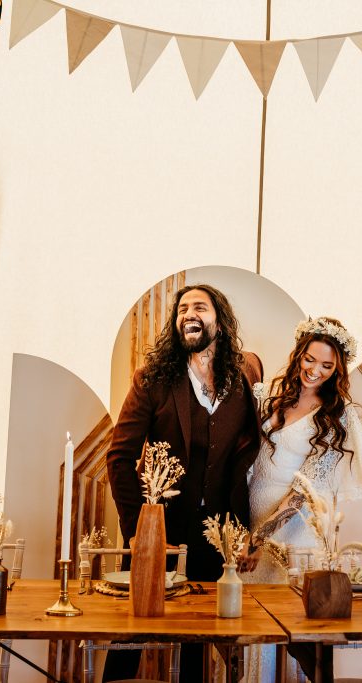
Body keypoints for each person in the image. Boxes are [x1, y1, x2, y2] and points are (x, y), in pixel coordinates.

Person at [105, 283, 263, 682]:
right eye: (182, 309)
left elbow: (242, 464)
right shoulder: (152, 380)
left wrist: (240, 531)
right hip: (160, 533)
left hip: (215, 539)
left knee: (200, 641)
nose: (189, 313)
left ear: (220, 323)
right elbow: (119, 458)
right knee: (132, 634)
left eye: (200, 307)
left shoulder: (242, 382)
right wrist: (139, 530)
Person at [240, 317, 362, 682]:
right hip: (252, 519)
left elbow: (304, 489)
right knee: (256, 630)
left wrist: (260, 540)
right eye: (309, 359)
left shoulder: (336, 417)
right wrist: (245, 531)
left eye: (326, 365)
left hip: (294, 534)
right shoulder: (270, 396)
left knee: (295, 633)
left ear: (338, 370)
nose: (314, 370)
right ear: (299, 354)